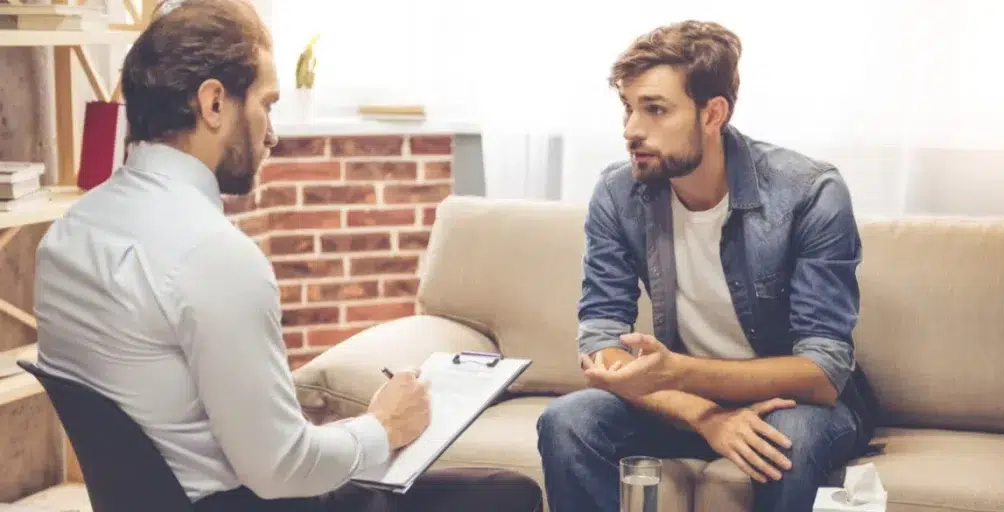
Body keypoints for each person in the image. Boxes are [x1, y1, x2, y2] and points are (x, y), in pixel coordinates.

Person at [32, 1, 542, 511]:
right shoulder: (213, 256)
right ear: (213, 104)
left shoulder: (66, 236)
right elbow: (280, 470)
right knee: (506, 494)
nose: (272, 133)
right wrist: (384, 427)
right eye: (267, 105)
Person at [536, 20, 879, 512]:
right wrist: (703, 415)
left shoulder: (810, 192)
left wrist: (676, 371)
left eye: (655, 109)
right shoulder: (617, 193)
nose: (632, 130)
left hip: (795, 405)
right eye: (629, 108)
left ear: (712, 113)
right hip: (679, 400)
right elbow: (600, 342)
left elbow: (823, 371)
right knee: (568, 420)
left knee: (790, 436)